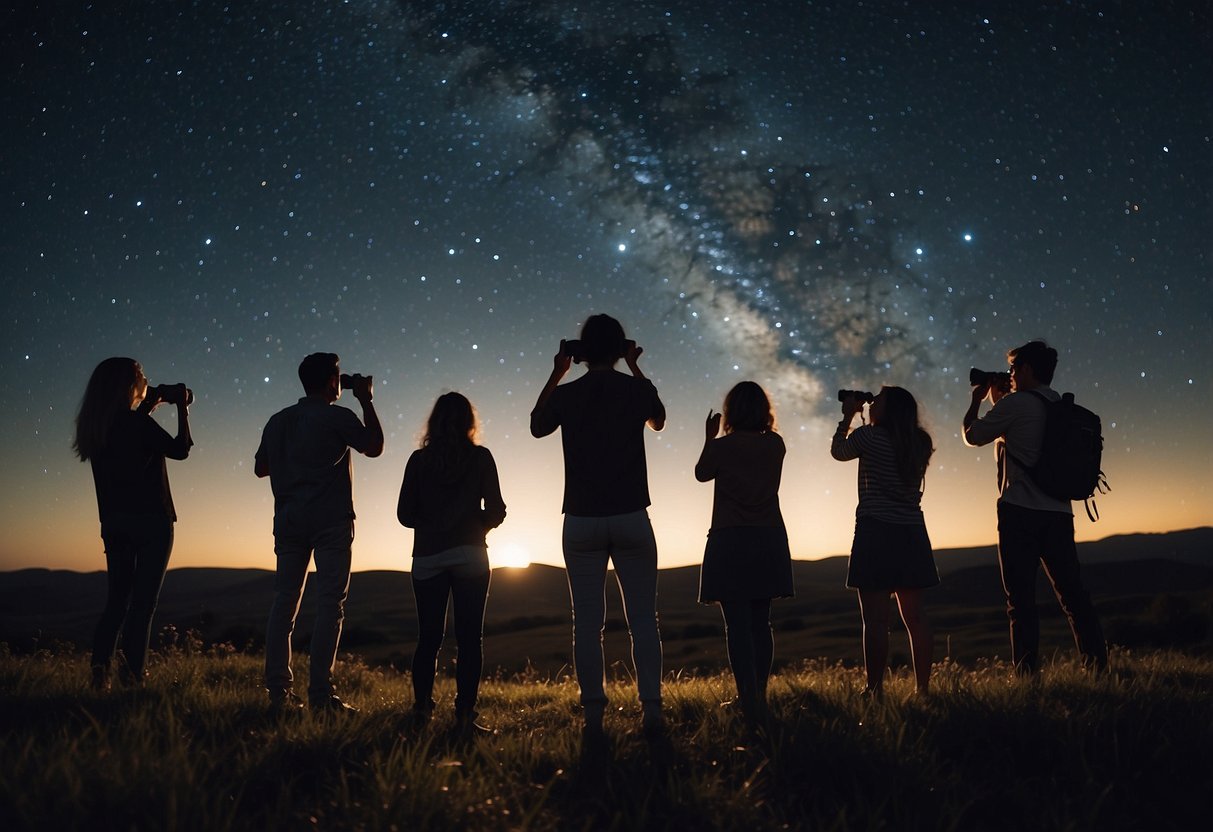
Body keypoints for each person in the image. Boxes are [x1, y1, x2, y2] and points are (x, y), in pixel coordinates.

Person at [530, 314, 667, 736]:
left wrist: (557, 373)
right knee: (643, 619)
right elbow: (658, 419)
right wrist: (636, 366)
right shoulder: (635, 388)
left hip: (582, 519)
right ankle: (652, 711)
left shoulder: (569, 394)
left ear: (582, 351)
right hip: (630, 514)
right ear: (620, 348)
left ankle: (593, 714)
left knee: (587, 623)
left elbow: (537, 426)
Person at [963, 340, 1107, 676]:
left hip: (1020, 513)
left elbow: (974, 435)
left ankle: (1027, 677)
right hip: (1059, 514)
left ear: (1026, 369)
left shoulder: (1018, 404)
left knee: (1021, 602)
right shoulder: (1058, 405)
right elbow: (1022, 441)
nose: (1010, 375)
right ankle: (1098, 669)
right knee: (1074, 596)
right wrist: (1003, 401)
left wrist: (976, 401)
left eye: (1013, 369)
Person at [255, 353, 384, 712]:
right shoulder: (337, 415)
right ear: (332, 381)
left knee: (284, 604)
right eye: (339, 378)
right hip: (330, 520)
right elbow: (373, 446)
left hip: (289, 519)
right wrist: (365, 399)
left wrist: (291, 464)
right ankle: (320, 696)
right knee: (330, 605)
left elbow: (260, 468)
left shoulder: (278, 420)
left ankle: (279, 694)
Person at [73, 357, 193, 690]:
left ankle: (100, 678)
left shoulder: (98, 426)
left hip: (114, 522)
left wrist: (146, 410)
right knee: (142, 605)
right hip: (152, 520)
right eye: (141, 375)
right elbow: (180, 450)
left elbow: (128, 445)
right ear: (128, 385)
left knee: (116, 603)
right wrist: (183, 408)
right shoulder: (135, 424)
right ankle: (132, 679)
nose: (146, 379)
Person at [398, 392, 506, 733]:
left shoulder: (419, 461)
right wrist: (477, 526)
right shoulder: (480, 458)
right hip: (471, 553)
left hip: (428, 555)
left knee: (428, 638)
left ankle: (421, 712)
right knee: (469, 639)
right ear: (469, 422)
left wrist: (432, 523)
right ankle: (464, 717)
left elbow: (404, 515)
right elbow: (497, 509)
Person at [694, 381, 793, 723]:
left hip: (730, 538)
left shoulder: (722, 447)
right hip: (767, 537)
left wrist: (709, 438)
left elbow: (701, 474)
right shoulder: (776, 444)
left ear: (732, 410)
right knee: (760, 624)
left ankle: (747, 699)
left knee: (736, 626)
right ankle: (760, 696)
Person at [831, 386, 937, 696]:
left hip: (875, 531)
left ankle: (874, 689)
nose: (872, 401)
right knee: (916, 617)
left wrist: (848, 417)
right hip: (911, 532)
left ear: (889, 409)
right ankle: (923, 690)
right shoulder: (921, 442)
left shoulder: (869, 437)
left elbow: (839, 451)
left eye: (878, 398)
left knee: (875, 620)